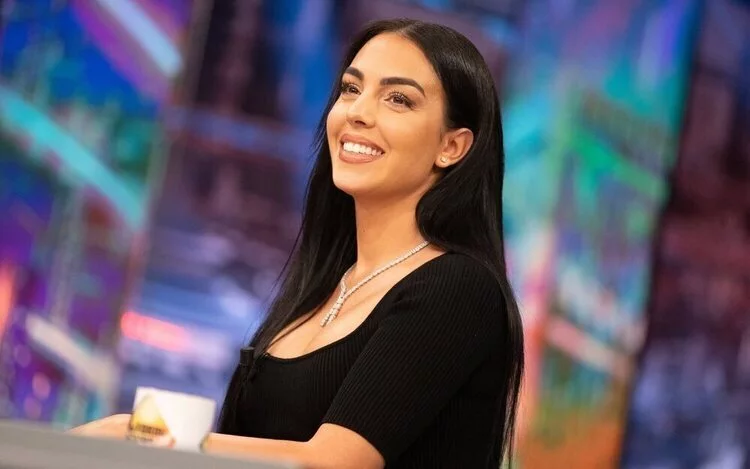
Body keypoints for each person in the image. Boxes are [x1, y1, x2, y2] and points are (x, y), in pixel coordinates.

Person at [71, 18, 524, 469]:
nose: (358, 112)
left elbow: (332, 462)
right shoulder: (324, 284)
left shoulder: (459, 287)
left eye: (398, 99)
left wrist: (140, 432)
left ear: (452, 147)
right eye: (351, 89)